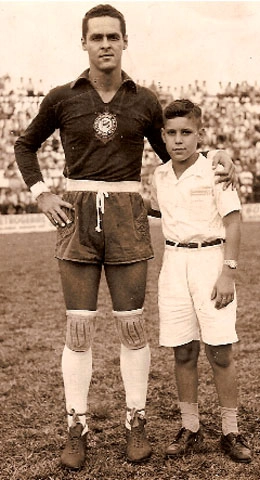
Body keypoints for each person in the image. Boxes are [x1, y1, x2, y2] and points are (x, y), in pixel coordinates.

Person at [14, 4, 235, 470]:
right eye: (97, 38)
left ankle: (136, 421)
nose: (106, 44)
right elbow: (24, 144)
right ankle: (77, 425)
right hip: (76, 219)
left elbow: (174, 151)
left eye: (113, 36)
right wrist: (40, 194)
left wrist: (218, 156)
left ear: (125, 41)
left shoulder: (145, 100)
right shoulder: (61, 97)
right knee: (78, 328)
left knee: (132, 325)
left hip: (126, 220)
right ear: (84, 43)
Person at [148, 99, 252, 463]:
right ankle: (190, 426)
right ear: (162, 136)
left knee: (220, 351)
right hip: (174, 263)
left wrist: (228, 271)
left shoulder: (216, 171)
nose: (179, 140)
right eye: (172, 133)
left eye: (186, 133)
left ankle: (230, 430)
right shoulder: (159, 175)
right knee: (183, 350)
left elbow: (234, 222)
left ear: (200, 135)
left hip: (212, 261)